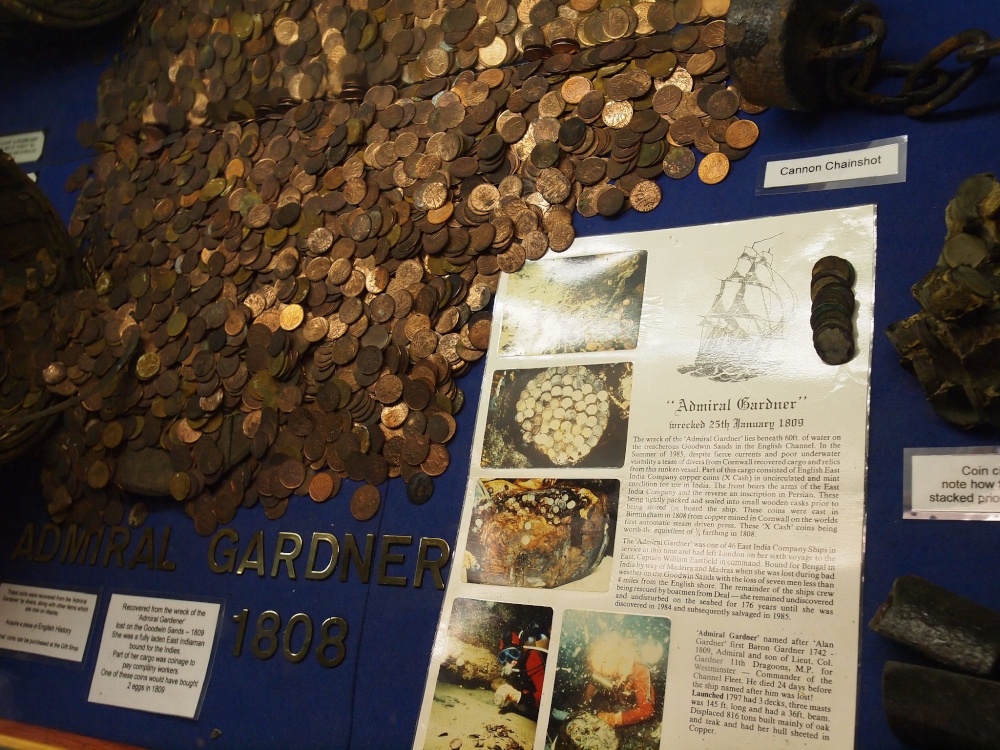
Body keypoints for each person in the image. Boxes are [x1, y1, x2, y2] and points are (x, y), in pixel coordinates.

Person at [583, 632, 654, 728]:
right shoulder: (608, 670)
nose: (602, 672)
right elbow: (594, 681)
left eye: (603, 664)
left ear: (615, 653)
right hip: (621, 702)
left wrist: (612, 718)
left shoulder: (639, 671)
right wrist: (585, 703)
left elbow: (646, 711)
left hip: (637, 710)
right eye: (598, 670)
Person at [493, 626, 549, 720]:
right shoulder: (514, 667)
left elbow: (545, 696)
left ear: (520, 650)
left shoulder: (532, 659)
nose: (510, 661)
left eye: (513, 653)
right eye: (503, 656)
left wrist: (517, 696)